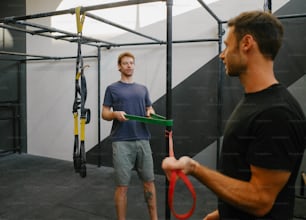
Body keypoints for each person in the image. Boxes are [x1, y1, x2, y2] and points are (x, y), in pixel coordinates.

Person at [162, 10, 306, 220]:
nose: (222, 54)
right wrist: (223, 213)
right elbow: (245, 176)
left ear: (247, 43)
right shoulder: (257, 102)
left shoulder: (277, 113)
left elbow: (260, 199)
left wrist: (194, 168)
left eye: (227, 45)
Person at [102, 52, 158, 220]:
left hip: (142, 139)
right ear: (119, 66)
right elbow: (104, 113)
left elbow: (150, 108)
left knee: (149, 182)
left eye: (131, 63)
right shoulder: (112, 88)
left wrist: (150, 113)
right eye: (125, 63)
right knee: (122, 187)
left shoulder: (142, 89)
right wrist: (115, 114)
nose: (129, 65)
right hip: (121, 142)